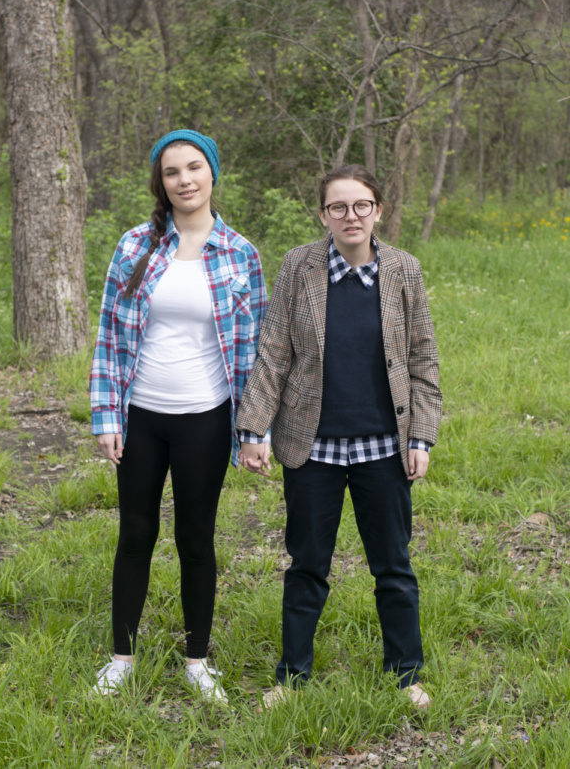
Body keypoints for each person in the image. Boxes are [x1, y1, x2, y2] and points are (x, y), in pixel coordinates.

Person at [236, 163, 442, 709]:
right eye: (338, 207)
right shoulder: (298, 267)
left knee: (393, 566)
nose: (350, 216)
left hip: (383, 448)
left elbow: (423, 360)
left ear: (378, 209)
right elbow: (274, 352)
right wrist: (254, 426)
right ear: (323, 213)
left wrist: (420, 437)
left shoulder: (404, 270)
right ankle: (292, 677)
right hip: (313, 448)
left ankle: (406, 675)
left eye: (361, 206)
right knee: (306, 565)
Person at [90, 129, 267, 700]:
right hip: (141, 415)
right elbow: (110, 336)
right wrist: (107, 416)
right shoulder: (136, 244)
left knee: (196, 538)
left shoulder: (240, 253)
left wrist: (252, 429)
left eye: (194, 168)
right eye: (172, 172)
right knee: (135, 533)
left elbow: (257, 349)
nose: (184, 179)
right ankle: (121, 659)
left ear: (213, 173)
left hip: (206, 419)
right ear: (160, 183)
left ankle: (196, 662)